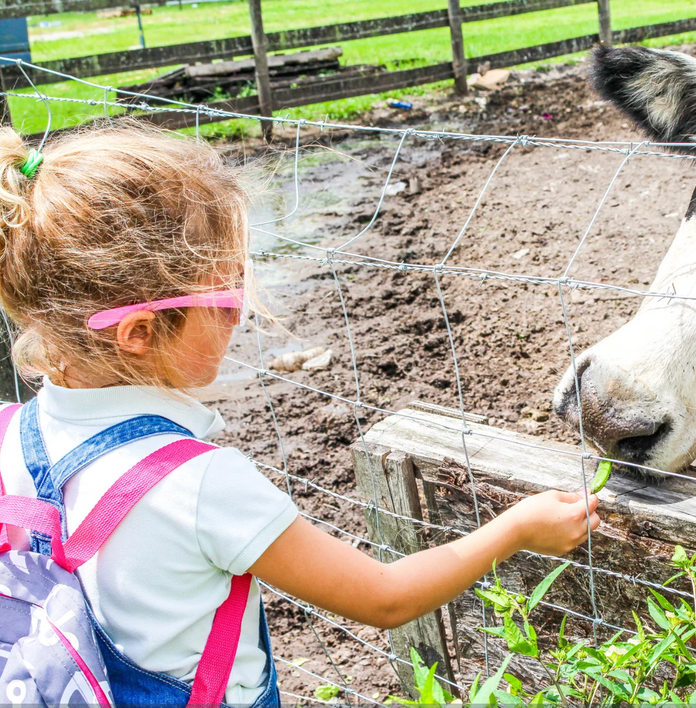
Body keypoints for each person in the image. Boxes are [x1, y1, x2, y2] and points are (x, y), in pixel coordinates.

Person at [0, 123, 601, 706]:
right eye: (227, 295)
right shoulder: (199, 485)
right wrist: (518, 528)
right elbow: (383, 597)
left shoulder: (12, 431)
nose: (241, 314)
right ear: (138, 332)